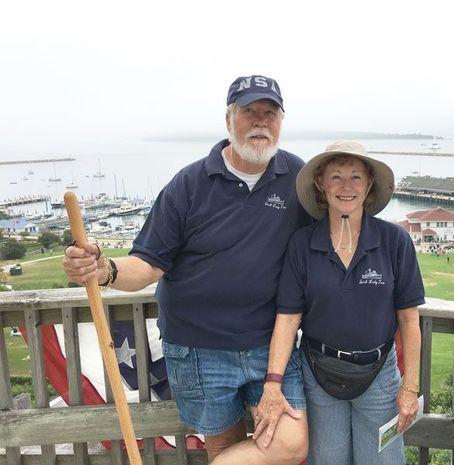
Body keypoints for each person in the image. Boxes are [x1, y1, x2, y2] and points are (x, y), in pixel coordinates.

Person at [63, 75, 310, 465]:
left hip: (271, 347)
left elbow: (333, 233)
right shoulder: (189, 185)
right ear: (229, 119)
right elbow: (146, 264)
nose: (261, 122)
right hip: (198, 348)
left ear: (281, 122)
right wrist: (104, 268)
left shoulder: (298, 179)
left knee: (291, 442)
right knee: (225, 449)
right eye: (250, 112)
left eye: (270, 113)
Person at [254, 141, 425, 465]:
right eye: (336, 177)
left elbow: (409, 319)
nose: (346, 187)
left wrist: (410, 387)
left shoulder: (394, 241)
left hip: (379, 378)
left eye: (356, 177)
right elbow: (288, 319)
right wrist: (273, 383)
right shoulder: (303, 245)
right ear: (320, 183)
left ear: (369, 184)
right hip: (319, 375)